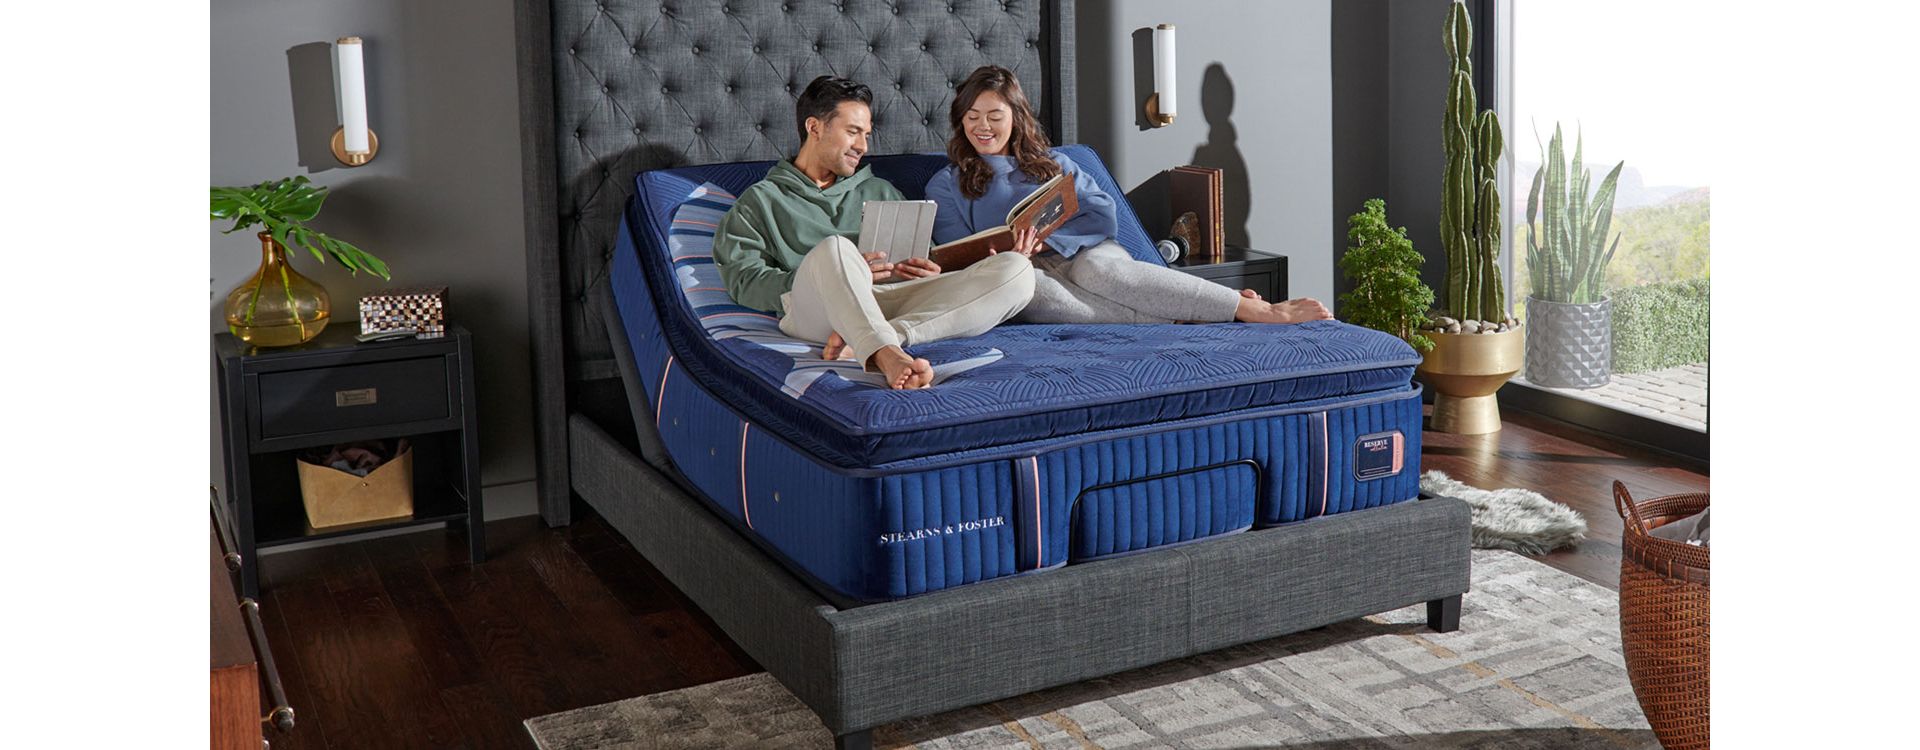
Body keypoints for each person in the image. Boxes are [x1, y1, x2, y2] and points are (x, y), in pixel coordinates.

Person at [924, 66, 1334, 326]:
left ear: (1016, 119)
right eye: (972, 117)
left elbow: (1104, 214)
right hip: (1021, 272)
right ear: (961, 122)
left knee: (1099, 274)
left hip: (1084, 253)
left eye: (994, 117)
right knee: (1034, 294)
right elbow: (961, 252)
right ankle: (1191, 314)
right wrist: (1008, 256)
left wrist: (1051, 240)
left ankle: (1256, 309)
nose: (982, 127)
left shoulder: (1056, 163)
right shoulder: (945, 183)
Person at [711, 76, 1036, 390]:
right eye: (853, 132)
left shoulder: (880, 189)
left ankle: (877, 339)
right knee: (836, 249)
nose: (863, 146)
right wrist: (848, 273)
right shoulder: (760, 200)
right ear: (815, 127)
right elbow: (743, 281)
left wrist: (928, 270)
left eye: (866, 135)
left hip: (893, 303)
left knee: (1018, 271)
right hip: (818, 309)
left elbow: (928, 258)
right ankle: (887, 355)